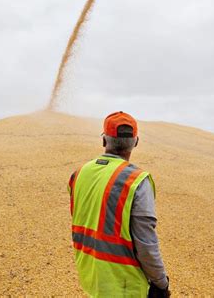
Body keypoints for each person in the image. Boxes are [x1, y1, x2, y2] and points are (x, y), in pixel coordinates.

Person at [68, 111, 170, 297]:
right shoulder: (136, 180)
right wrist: (161, 283)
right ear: (136, 142)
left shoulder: (79, 174)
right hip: (125, 284)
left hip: (90, 275)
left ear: (104, 140)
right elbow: (146, 243)